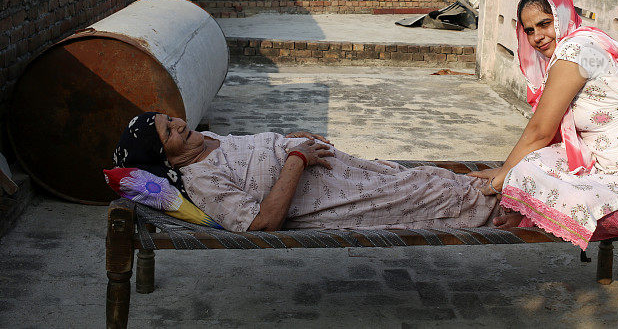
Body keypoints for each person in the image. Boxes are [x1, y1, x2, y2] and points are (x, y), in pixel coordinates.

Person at [468, 0, 618, 248]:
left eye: (545, 24)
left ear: (561, 17)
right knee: (532, 165)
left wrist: (499, 182)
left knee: (531, 177)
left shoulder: (574, 52)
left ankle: (531, 217)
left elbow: (540, 131)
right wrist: (507, 171)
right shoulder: (586, 38)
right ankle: (527, 209)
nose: (538, 37)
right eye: (529, 30)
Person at [113, 113, 500, 232]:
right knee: (426, 192)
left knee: (426, 177)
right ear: (164, 158)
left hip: (338, 169)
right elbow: (262, 224)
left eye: (169, 117)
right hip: (332, 201)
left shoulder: (206, 139)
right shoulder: (201, 181)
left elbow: (253, 153)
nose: (178, 124)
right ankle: (511, 207)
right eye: (168, 131)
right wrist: (296, 159)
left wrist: (288, 140)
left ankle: (509, 188)